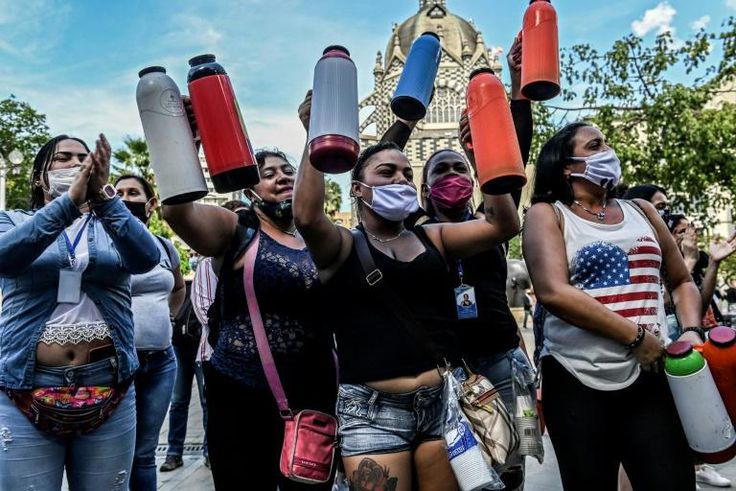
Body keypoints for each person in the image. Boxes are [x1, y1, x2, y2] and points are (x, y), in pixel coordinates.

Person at [294, 90, 520, 490]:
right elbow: (308, 217)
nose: (400, 180)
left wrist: (486, 151)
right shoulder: (343, 246)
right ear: (357, 190)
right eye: (386, 173)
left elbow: (503, 225)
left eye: (406, 174)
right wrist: (316, 135)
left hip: (442, 407)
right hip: (371, 414)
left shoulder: (434, 237)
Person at [522, 122, 706, 491]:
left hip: (652, 376)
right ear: (567, 165)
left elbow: (682, 280)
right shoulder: (548, 215)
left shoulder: (641, 211)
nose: (609, 150)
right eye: (595, 145)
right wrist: (636, 338)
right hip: (577, 381)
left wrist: (690, 332)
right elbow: (553, 292)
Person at [393, 34, 535, 489]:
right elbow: (377, 165)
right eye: (441, 171)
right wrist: (409, 116)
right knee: (466, 478)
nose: (453, 177)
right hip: (442, 374)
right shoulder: (413, 231)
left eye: (461, 169)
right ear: (423, 189)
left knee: (511, 469)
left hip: (501, 362)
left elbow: (516, 152)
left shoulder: (492, 220)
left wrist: (515, 87)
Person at [162, 150, 337, 490]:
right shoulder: (237, 230)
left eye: (288, 171)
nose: (282, 177)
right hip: (241, 398)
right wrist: (186, 142)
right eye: (269, 173)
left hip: (313, 399)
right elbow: (178, 214)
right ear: (249, 192)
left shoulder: (321, 238)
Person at [0, 134, 160, 490]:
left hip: (110, 390)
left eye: (84, 158)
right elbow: (5, 258)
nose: (75, 164)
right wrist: (69, 204)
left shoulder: (112, 224)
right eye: (63, 157)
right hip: (24, 389)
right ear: (40, 175)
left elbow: (147, 258)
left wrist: (104, 197)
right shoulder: (11, 220)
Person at [161, 199, 246, 473]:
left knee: (212, 407)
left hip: (248, 362)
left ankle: (211, 451)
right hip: (210, 353)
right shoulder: (207, 265)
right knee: (181, 400)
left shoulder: (258, 259)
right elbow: (207, 312)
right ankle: (174, 452)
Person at [114, 174, 185, 491]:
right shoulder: (101, 243)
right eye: (118, 193)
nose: (126, 198)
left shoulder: (164, 247)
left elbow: (179, 286)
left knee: (144, 453)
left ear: (151, 204)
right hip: (116, 364)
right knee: (116, 451)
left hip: (161, 362)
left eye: (133, 192)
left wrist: (169, 316)